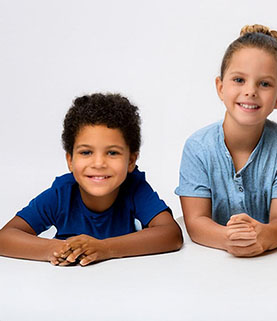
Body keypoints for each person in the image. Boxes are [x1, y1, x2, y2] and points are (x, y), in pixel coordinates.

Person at [0, 93, 182, 266]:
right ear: (70, 160)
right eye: (86, 152)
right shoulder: (61, 194)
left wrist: (105, 248)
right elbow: (5, 237)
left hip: (123, 282)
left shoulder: (134, 188)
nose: (99, 163)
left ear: (131, 161)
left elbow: (171, 234)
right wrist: (56, 249)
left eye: (112, 153)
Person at [176, 24, 277, 257]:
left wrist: (263, 237)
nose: (251, 91)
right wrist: (230, 239)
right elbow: (196, 222)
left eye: (265, 84)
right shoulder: (198, 147)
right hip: (210, 264)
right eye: (239, 80)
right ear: (220, 88)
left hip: (272, 266)